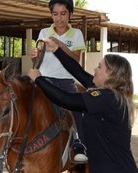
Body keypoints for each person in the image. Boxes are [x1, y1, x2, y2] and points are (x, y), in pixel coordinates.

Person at [28, 38, 138, 173]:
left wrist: (38, 79)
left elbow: (65, 99)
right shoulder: (110, 95)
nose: (95, 69)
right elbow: (78, 72)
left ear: (110, 74)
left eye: (99, 66)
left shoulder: (107, 98)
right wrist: (56, 50)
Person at [31, 0, 87, 162]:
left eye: (63, 14)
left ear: (70, 14)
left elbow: (76, 59)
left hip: (65, 80)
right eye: (55, 14)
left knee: (76, 109)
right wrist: (34, 54)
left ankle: (79, 143)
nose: (59, 18)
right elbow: (38, 57)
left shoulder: (76, 34)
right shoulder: (44, 32)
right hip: (44, 79)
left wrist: (61, 45)